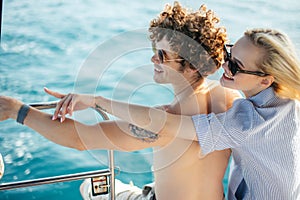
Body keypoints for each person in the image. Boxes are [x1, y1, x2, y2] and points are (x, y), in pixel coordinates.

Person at [0, 2, 241, 200]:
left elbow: (78, 138)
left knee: (89, 187)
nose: (152, 59)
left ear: (191, 66)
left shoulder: (166, 122)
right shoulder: (231, 99)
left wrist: (15, 110)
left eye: (161, 55)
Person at [47, 28, 300, 199]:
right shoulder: (291, 104)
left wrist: (96, 100)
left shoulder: (244, 123)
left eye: (235, 66)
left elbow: (165, 124)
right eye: (228, 54)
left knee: (88, 185)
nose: (224, 66)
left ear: (266, 81)